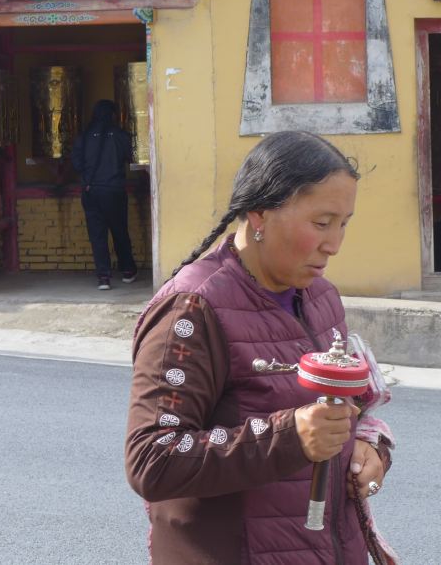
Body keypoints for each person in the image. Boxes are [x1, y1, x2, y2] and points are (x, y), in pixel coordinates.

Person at [125, 131, 397, 565]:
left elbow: (347, 411)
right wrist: (289, 436)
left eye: (344, 223)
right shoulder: (193, 309)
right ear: (259, 214)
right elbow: (153, 460)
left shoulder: (320, 297)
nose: (335, 243)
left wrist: (368, 450)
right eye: (321, 223)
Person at [71, 99, 138, 290]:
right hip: (114, 191)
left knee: (97, 235)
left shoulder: (83, 137)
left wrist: (88, 174)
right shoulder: (119, 135)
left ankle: (103, 277)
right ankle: (127, 270)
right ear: (113, 115)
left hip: (91, 191)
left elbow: (75, 162)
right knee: (119, 231)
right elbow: (131, 155)